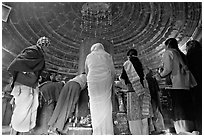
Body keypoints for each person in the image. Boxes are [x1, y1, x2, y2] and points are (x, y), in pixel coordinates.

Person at [7, 36, 51, 134]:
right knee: (22, 109)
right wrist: (27, 73)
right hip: (24, 85)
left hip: (31, 86)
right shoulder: (33, 51)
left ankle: (25, 130)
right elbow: (17, 63)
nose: (46, 47)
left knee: (32, 107)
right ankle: (16, 131)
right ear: (41, 44)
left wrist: (36, 76)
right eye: (44, 44)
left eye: (47, 45)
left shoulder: (39, 54)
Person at [156, 38, 196, 134]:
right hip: (185, 85)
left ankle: (182, 131)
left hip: (176, 84)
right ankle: (190, 129)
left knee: (179, 109)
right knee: (186, 108)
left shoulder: (168, 52)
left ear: (167, 45)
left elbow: (168, 68)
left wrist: (160, 75)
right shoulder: (180, 53)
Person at [85, 43, 115, 135]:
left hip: (92, 81)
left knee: (94, 105)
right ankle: (107, 132)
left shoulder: (89, 56)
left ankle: (97, 132)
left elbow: (86, 71)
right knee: (106, 104)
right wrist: (112, 82)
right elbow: (112, 71)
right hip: (105, 80)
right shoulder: (107, 55)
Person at [120, 49, 152, 135]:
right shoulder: (142, 63)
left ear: (128, 56)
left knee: (134, 116)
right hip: (144, 91)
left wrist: (124, 86)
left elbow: (122, 78)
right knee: (144, 115)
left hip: (132, 91)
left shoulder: (127, 64)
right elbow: (148, 73)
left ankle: (136, 134)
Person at [186, 40, 202, 134]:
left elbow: (187, 69)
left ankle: (199, 129)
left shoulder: (190, 55)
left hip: (195, 83)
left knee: (198, 107)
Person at [145, 67, 165, 134]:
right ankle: (158, 128)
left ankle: (155, 129)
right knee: (155, 112)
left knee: (153, 113)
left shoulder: (148, 79)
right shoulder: (152, 78)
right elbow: (157, 90)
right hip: (154, 98)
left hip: (151, 98)